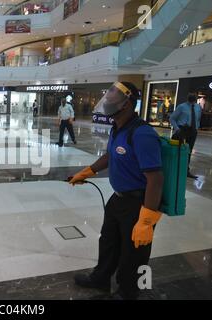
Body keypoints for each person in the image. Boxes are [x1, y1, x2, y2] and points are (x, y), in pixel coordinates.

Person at [70, 82, 164, 300]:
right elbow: (111, 156)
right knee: (108, 241)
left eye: (112, 98)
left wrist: (146, 220)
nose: (107, 103)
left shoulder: (142, 134)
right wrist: (86, 172)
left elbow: (155, 179)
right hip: (118, 199)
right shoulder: (117, 128)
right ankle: (101, 278)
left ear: (127, 104)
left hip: (138, 203)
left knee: (133, 252)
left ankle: (127, 292)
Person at [169, 94, 202, 179]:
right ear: (188, 99)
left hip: (193, 131)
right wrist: (177, 129)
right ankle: (175, 170)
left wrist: (196, 127)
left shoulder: (198, 107)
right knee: (179, 151)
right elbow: (172, 118)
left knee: (188, 151)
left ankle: (186, 171)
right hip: (182, 130)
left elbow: (197, 119)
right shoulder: (181, 107)